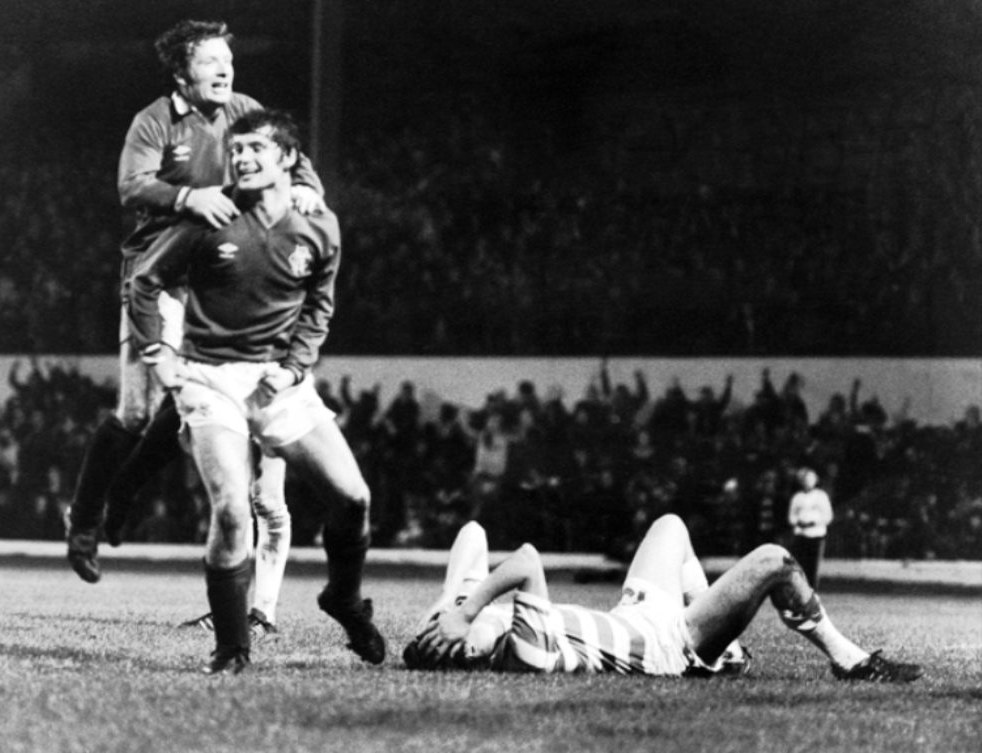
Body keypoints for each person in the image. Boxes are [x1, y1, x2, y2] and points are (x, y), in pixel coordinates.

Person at [65, 19, 325, 639]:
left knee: (193, 401)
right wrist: (187, 199)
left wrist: (309, 191)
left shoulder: (244, 111)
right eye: (210, 60)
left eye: (227, 58)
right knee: (137, 411)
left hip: (217, 277)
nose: (225, 68)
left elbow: (295, 161)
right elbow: (131, 185)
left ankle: (124, 497)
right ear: (182, 73)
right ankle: (86, 517)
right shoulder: (154, 121)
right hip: (157, 275)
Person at [127, 108, 385, 674]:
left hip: (276, 382)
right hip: (209, 378)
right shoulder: (209, 216)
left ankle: (343, 599)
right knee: (231, 508)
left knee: (354, 500)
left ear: (288, 159)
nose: (242, 158)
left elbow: (319, 308)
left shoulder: (319, 225)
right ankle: (232, 649)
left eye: (255, 149)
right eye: (236, 150)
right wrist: (158, 354)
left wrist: (293, 369)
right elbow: (144, 280)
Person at [405, 515, 922, 683]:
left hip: (634, 614)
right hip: (667, 645)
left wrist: (451, 603)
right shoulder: (523, 652)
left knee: (670, 526)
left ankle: (728, 653)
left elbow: (473, 533)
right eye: (465, 646)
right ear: (473, 655)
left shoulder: (466, 622)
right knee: (774, 560)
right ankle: (850, 660)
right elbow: (526, 560)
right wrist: (466, 613)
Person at [787, 467, 833, 589]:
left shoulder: (821, 496)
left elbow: (828, 516)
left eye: (811, 479)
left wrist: (814, 523)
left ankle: (812, 590)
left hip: (816, 534)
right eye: (805, 479)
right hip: (801, 534)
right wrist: (798, 522)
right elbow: (791, 516)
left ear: (815, 480)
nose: (808, 482)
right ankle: (800, 590)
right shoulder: (797, 497)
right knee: (800, 564)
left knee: (813, 566)